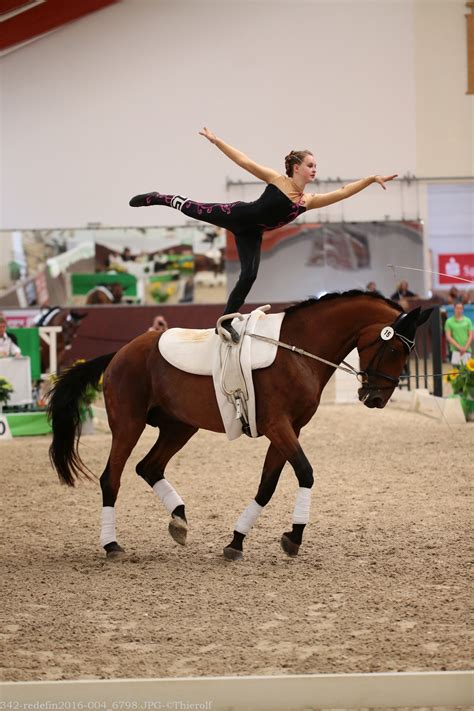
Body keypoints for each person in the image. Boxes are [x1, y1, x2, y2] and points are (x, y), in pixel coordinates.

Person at [130, 128, 397, 342]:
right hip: (237, 215)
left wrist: (371, 179)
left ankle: (225, 323)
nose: (315, 169)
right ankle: (159, 197)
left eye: (316, 165)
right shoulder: (277, 180)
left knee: (249, 276)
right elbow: (243, 161)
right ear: (296, 167)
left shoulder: (308, 201)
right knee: (193, 209)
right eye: (311, 165)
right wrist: (216, 141)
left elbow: (342, 192)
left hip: (252, 234)